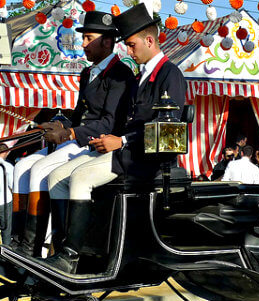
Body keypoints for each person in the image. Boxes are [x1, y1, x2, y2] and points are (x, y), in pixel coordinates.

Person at [44, 4, 188, 273]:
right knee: (56, 177)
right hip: (126, 153)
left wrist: (121, 141)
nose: (129, 51)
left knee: (81, 178)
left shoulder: (170, 74)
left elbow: (167, 129)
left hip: (145, 161)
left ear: (149, 40)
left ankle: (72, 256)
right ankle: (62, 248)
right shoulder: (143, 74)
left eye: (132, 45)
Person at [12, 10, 133, 256]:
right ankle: (17, 241)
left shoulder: (121, 74)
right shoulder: (87, 73)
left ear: (107, 42)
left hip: (92, 143)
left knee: (39, 170)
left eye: (89, 38)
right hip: (75, 139)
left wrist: (68, 134)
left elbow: (109, 123)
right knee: (21, 167)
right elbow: (80, 115)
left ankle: (35, 251)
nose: (83, 44)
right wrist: (58, 125)